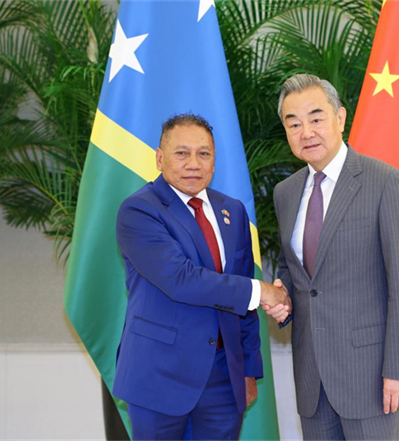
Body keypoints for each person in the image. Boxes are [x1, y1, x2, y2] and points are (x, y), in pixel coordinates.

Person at [263, 74, 399, 440]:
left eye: (316, 118)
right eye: (294, 124)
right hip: (312, 378)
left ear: (340, 117)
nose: (306, 132)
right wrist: (283, 298)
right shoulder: (285, 193)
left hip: (373, 379)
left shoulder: (385, 182)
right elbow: (299, 272)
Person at [113, 114, 288, 440]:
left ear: (214, 160)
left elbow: (243, 302)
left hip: (224, 379)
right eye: (181, 153)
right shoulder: (139, 210)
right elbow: (181, 280)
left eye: (203, 153)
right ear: (160, 157)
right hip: (159, 376)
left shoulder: (232, 211)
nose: (193, 163)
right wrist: (261, 291)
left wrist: (248, 370)